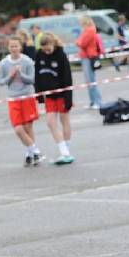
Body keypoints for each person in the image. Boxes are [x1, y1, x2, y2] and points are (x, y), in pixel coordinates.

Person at [0, 35, 44, 167]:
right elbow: (0, 81)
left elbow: (32, 80)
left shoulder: (27, 61)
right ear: (8, 48)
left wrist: (21, 74)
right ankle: (35, 150)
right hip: (13, 98)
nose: (14, 49)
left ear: (20, 47)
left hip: (27, 96)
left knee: (28, 127)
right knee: (18, 129)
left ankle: (30, 155)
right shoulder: (4, 63)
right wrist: (10, 76)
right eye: (11, 46)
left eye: (16, 46)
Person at [35, 32, 74, 165]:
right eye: (44, 49)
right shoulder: (39, 55)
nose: (46, 52)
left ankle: (67, 150)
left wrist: (68, 98)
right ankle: (63, 151)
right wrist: (39, 94)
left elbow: (68, 77)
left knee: (64, 121)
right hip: (49, 96)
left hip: (62, 94)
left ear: (53, 44)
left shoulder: (61, 55)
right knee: (50, 122)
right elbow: (37, 76)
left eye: (48, 49)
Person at [76, 16, 104, 109]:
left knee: (91, 81)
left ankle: (97, 101)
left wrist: (78, 42)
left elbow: (82, 43)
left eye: (80, 21)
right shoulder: (88, 30)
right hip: (87, 56)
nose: (79, 23)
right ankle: (93, 101)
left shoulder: (89, 30)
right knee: (89, 81)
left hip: (88, 57)